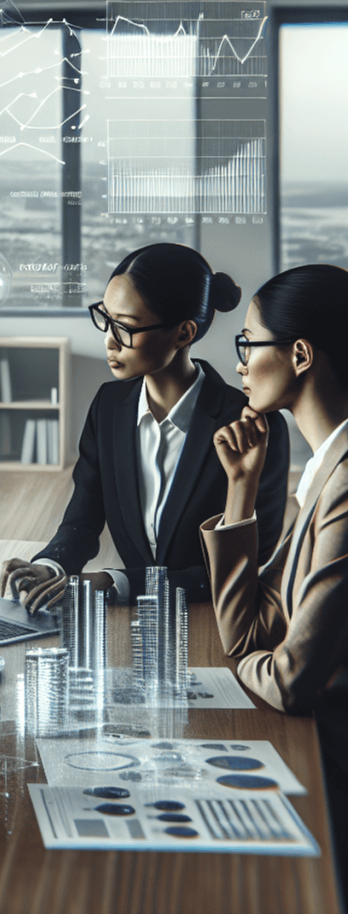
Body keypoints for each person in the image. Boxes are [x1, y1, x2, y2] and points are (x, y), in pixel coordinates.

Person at [0, 242, 289, 609]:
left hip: (216, 622)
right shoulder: (108, 406)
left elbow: (250, 566)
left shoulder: (253, 427)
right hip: (137, 627)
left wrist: (116, 583)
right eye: (106, 319)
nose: (109, 340)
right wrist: (50, 565)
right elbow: (83, 519)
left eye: (125, 327)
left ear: (183, 333)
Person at [202, 263, 348, 883]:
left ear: (300, 354)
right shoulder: (322, 470)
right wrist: (241, 489)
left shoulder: (343, 485)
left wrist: (244, 669)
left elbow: (286, 679)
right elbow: (253, 630)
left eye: (248, 343)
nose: (238, 363)